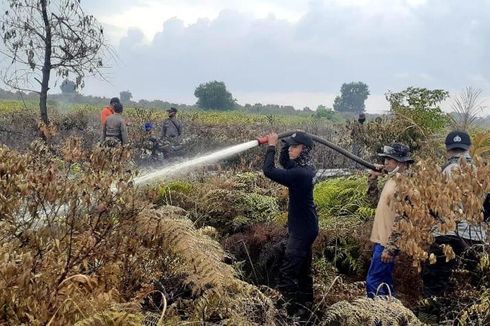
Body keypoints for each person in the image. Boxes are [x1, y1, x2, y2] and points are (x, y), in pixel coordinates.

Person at [421, 130, 488, 298]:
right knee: (477, 281)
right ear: (469, 148)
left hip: (444, 234)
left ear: (447, 149)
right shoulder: (483, 172)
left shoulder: (440, 171)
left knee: (435, 280)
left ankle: (431, 316)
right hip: (474, 236)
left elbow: (431, 206)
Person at [262, 131, 319, 317]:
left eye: (295, 147)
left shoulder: (300, 174)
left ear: (304, 150)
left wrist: (271, 146)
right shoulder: (306, 169)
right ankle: (306, 308)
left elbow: (269, 171)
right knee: (303, 271)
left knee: (287, 274)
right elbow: (286, 163)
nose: (291, 150)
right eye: (291, 146)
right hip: (306, 227)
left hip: (302, 231)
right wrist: (284, 144)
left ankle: (291, 313)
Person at [365, 143, 414, 298]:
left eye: (390, 159)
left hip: (387, 244)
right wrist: (372, 179)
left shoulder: (404, 185)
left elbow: (404, 219)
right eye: (385, 158)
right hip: (382, 241)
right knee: (384, 284)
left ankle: (377, 319)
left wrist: (391, 248)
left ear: (400, 163)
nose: (385, 162)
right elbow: (373, 203)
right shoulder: (391, 181)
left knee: (373, 281)